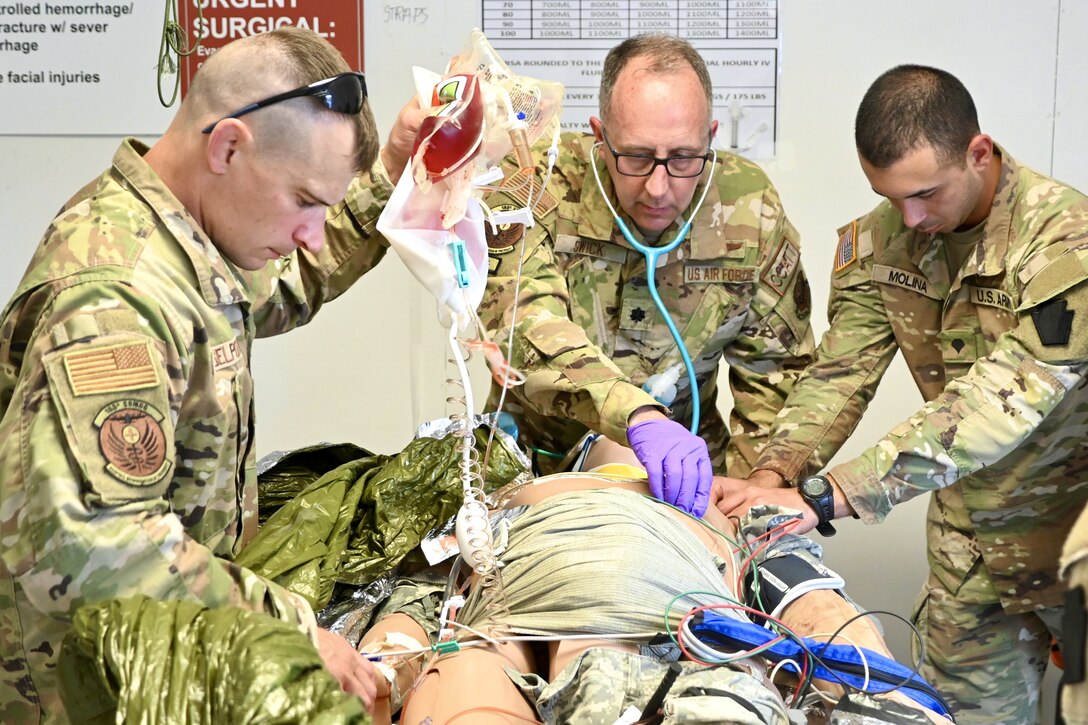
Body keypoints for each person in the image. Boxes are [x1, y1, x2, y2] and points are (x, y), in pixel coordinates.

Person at [0, 26, 419, 721]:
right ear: (227, 146)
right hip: (70, 693)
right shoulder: (115, 297)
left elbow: (287, 281)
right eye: (307, 201)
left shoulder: (184, 236)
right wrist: (292, 625)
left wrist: (394, 174)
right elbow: (94, 543)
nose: (314, 230)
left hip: (149, 658)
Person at [717, 64, 1088, 723]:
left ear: (979, 152)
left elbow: (997, 406)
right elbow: (839, 375)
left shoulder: (1067, 243)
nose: (911, 217)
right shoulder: (883, 240)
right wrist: (775, 474)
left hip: (1075, 535)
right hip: (972, 553)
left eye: (925, 193)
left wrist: (827, 496)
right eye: (891, 197)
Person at [358, 438, 951, 724]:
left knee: (477, 666)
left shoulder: (718, 499)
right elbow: (815, 607)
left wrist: (392, 657)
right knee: (501, 660)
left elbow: (813, 603)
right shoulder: (709, 505)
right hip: (638, 598)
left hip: (551, 598)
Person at [475, 34, 815, 518]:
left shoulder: (747, 207)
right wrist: (633, 415)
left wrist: (754, 489)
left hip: (686, 476)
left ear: (711, 138)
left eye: (682, 158)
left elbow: (777, 374)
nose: (658, 188)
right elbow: (524, 324)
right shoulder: (536, 180)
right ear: (599, 136)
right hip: (536, 463)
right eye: (635, 157)